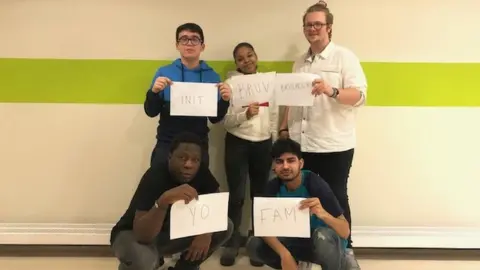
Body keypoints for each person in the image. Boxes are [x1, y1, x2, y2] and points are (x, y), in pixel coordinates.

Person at [279, 1, 367, 266]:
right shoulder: (300, 62)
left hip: (334, 143)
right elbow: (290, 99)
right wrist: (284, 128)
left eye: (318, 24)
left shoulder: (344, 57)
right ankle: (306, 251)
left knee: (336, 196)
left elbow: (360, 96)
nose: (313, 28)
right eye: (308, 24)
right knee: (301, 196)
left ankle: (346, 250)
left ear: (329, 27)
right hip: (301, 142)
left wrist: (332, 91)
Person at [110, 132, 233, 270]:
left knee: (225, 225)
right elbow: (142, 235)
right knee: (145, 260)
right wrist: (163, 202)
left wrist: (206, 233)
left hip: (167, 234)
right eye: (182, 157)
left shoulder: (200, 172)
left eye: (195, 160)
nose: (188, 164)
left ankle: (185, 267)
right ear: (169, 157)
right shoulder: (155, 176)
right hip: (131, 233)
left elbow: (217, 206)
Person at [246, 138, 353, 270]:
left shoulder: (315, 184)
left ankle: (343, 261)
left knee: (322, 237)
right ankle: (299, 265)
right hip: (296, 242)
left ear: (301, 163)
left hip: (325, 243)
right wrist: (284, 254)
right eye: (280, 162)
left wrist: (324, 214)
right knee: (253, 244)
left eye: (291, 160)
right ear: (274, 166)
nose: (285, 166)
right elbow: (263, 229)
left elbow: (345, 231)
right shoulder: (272, 187)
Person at [220, 42, 278, 267]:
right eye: (241, 58)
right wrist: (245, 114)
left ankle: (257, 243)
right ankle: (232, 242)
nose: (247, 61)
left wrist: (273, 142)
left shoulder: (268, 82)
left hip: (263, 144)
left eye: (250, 55)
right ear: (236, 63)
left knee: (260, 195)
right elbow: (224, 121)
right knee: (236, 196)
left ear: (256, 56)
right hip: (237, 143)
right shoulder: (231, 83)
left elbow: (273, 114)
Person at [144, 22, 232, 167]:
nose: (189, 43)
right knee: (160, 186)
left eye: (194, 39)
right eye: (184, 39)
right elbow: (151, 112)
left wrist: (225, 100)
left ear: (202, 46)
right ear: (177, 45)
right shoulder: (163, 72)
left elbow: (215, 118)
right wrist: (153, 93)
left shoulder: (212, 76)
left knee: (197, 189)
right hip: (167, 143)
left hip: (198, 144)